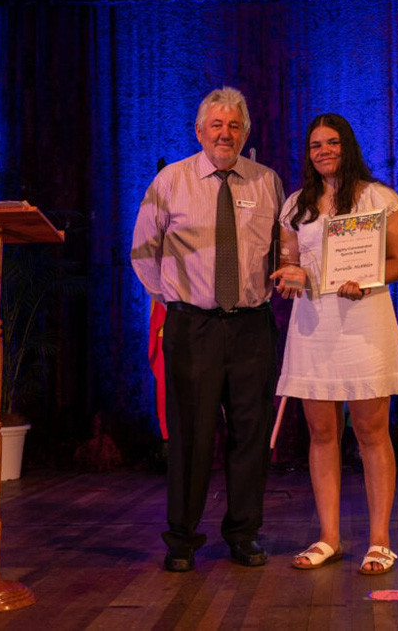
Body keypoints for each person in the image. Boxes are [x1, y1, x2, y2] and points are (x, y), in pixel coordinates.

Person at [131, 87, 283, 572]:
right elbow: (143, 251)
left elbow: (283, 246)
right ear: (199, 132)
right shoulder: (171, 181)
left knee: (250, 434)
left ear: (245, 133)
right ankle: (181, 539)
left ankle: (244, 534)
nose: (225, 133)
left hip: (251, 328)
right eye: (216, 125)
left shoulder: (267, 182)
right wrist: (176, 299)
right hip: (192, 328)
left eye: (234, 126)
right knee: (191, 436)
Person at [270, 113, 398, 575]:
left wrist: (367, 279)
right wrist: (290, 272)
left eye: (332, 143)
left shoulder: (380, 197)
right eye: (315, 145)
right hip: (314, 325)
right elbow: (288, 260)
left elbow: (397, 263)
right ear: (308, 153)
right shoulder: (295, 204)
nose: (324, 151)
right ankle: (329, 537)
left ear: (347, 146)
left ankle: (379, 541)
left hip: (365, 323)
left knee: (371, 433)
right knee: (322, 434)